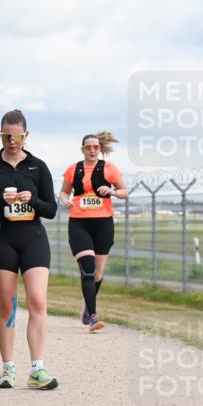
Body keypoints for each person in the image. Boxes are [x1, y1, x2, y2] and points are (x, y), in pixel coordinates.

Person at [0, 109, 59, 390]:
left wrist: (32, 199)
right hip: (1, 241)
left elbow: (51, 210)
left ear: (26, 135)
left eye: (17, 136)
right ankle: (7, 368)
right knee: (7, 306)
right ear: (0, 135)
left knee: (37, 301)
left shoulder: (38, 166)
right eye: (6, 135)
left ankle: (37, 369)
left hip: (33, 238)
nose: (12, 141)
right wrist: (1, 199)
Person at [59, 131, 129, 332]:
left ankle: (87, 306)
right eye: (88, 147)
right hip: (79, 223)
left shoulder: (109, 168)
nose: (92, 150)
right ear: (82, 149)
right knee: (88, 269)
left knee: (97, 274)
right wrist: (65, 200)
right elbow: (64, 191)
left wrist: (113, 192)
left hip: (103, 224)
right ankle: (93, 317)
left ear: (100, 149)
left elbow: (125, 193)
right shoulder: (73, 169)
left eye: (96, 147)